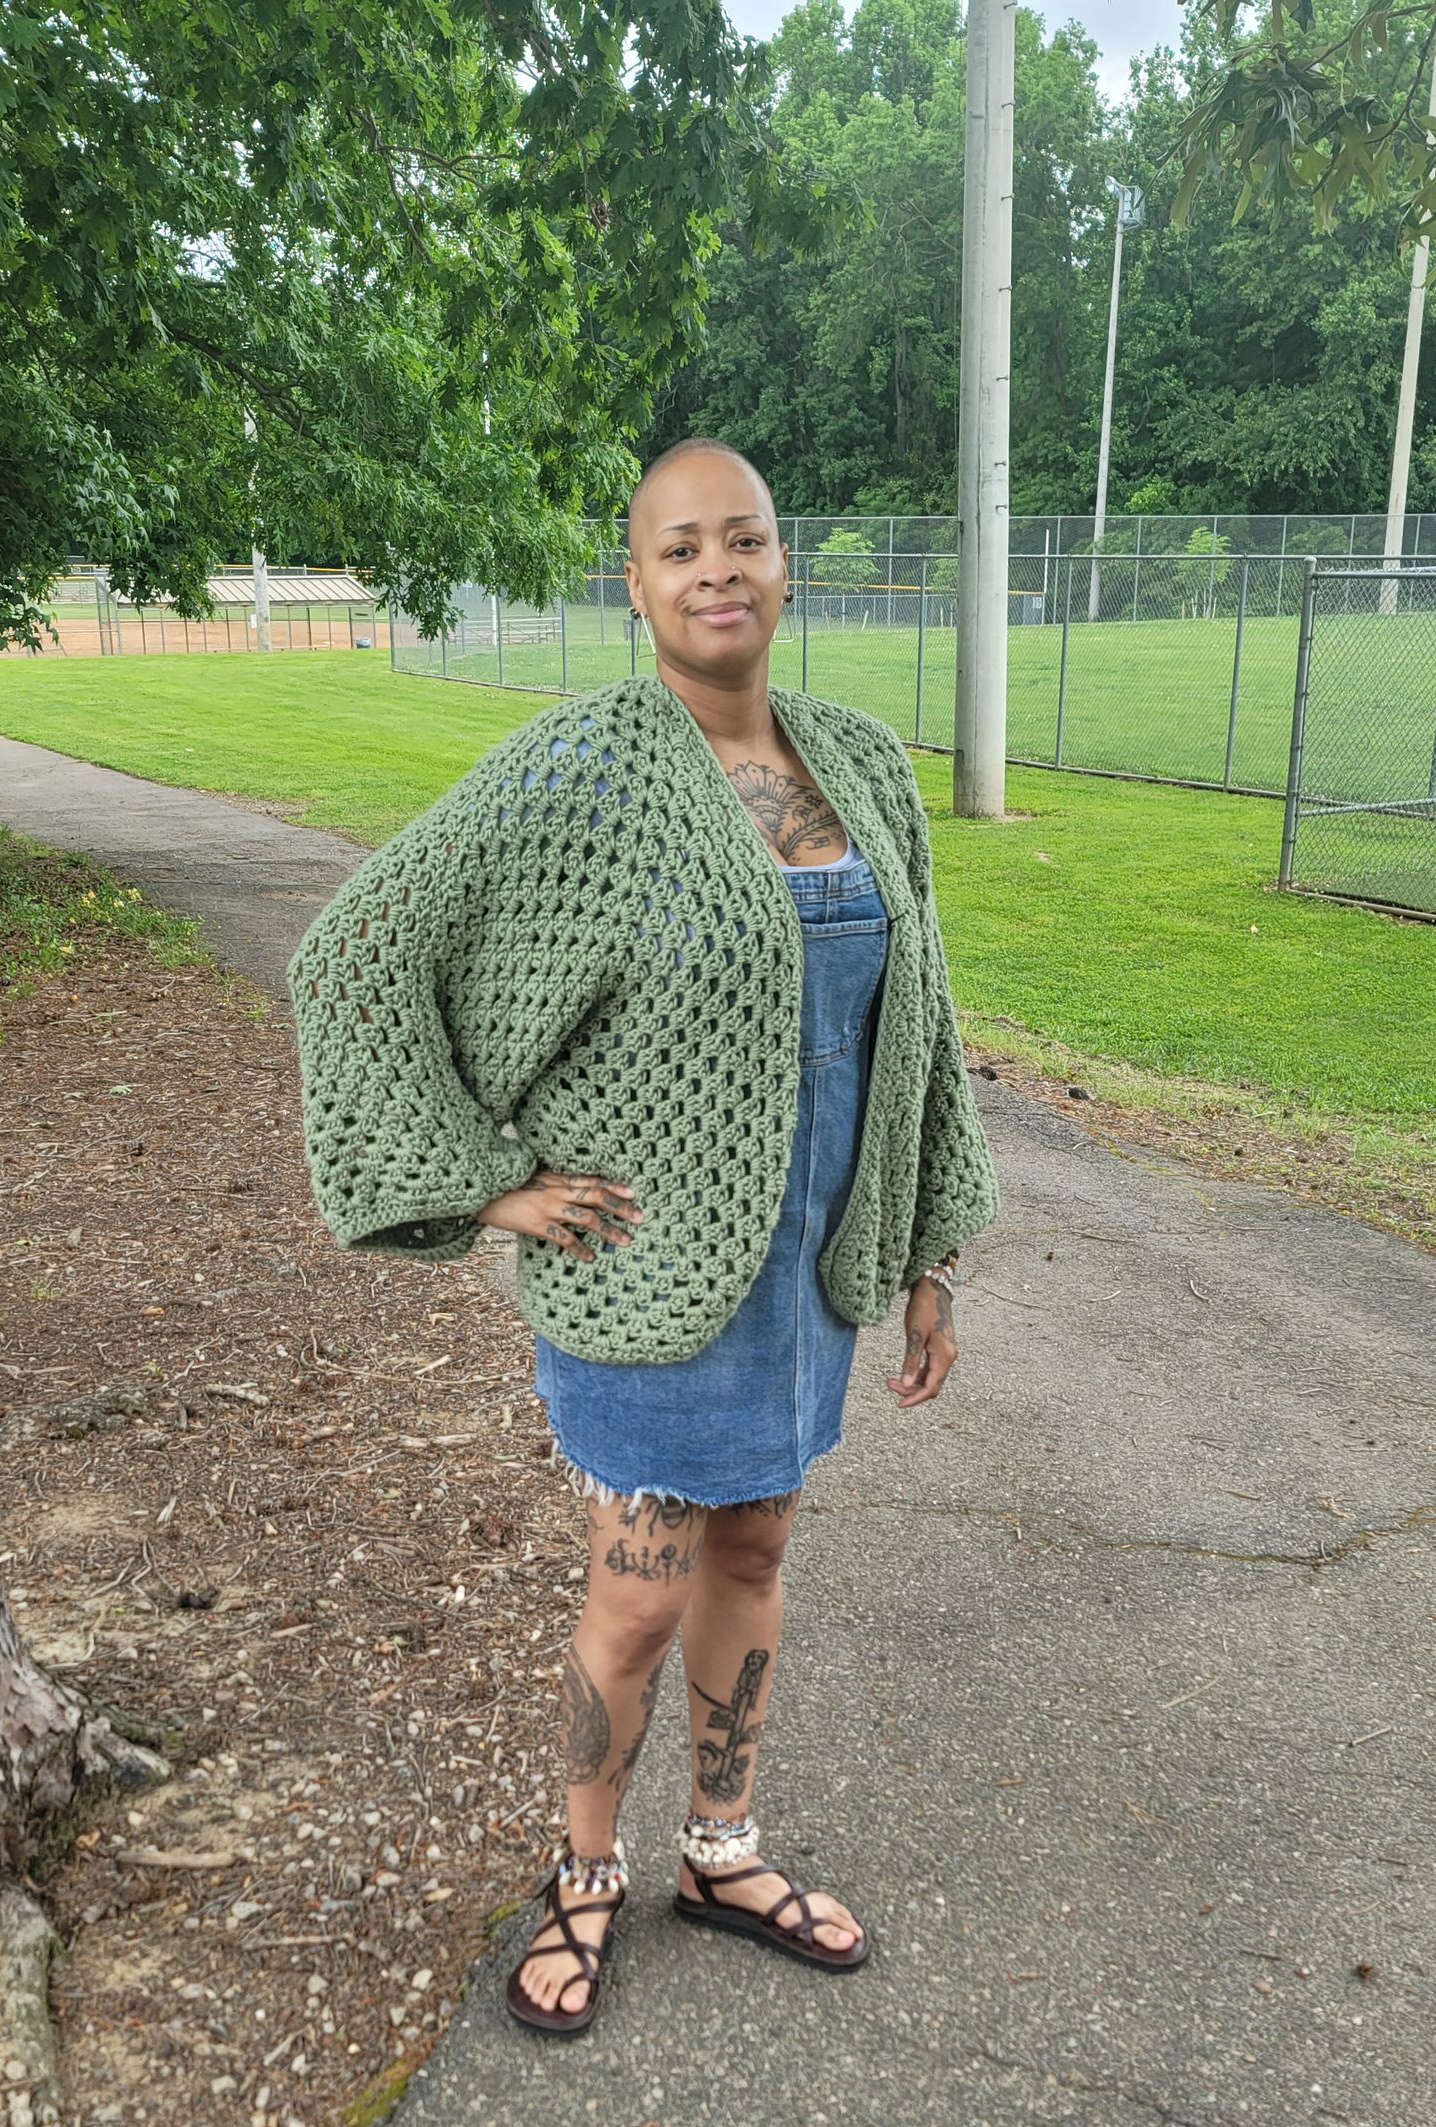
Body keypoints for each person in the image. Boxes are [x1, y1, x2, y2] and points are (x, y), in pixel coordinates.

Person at [286, 438, 1000, 2038]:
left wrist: (926, 1249)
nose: (717, 571)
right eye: (681, 549)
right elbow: (356, 955)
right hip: (649, 1279)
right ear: (636, 584)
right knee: (637, 1593)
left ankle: (724, 1851)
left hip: (810, 1263)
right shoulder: (586, 775)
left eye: (742, 539)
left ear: (782, 561)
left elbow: (925, 1022)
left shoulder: (864, 766)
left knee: (755, 1552)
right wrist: (485, 1182)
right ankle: (583, 1871)